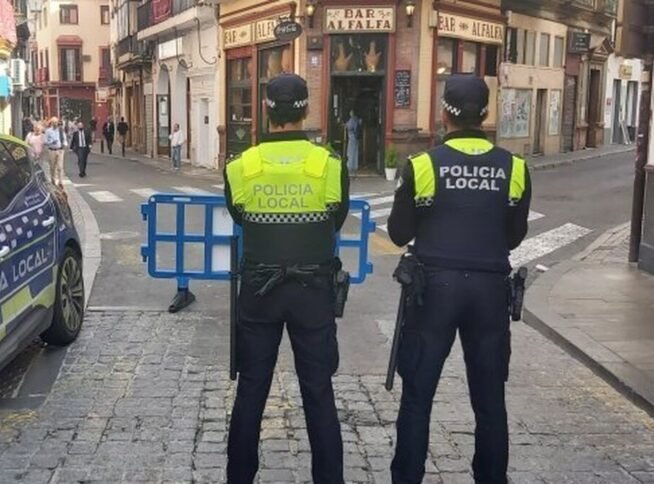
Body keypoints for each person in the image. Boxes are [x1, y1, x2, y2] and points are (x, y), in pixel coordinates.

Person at [385, 74, 531, 484]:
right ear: (486, 114)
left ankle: (407, 477)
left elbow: (398, 233)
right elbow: (514, 235)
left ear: (443, 113)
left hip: (434, 289)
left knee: (418, 396)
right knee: (489, 401)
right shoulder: (515, 168)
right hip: (488, 290)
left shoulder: (423, 165)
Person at [224, 73, 349, 484]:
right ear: (305, 110)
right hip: (313, 293)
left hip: (259, 292)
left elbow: (241, 218)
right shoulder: (329, 165)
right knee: (318, 394)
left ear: (266, 110)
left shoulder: (241, 167)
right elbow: (335, 222)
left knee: (251, 393)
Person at [44, 117, 65, 187]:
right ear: (51, 123)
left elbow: (64, 138)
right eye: (53, 122)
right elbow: (45, 141)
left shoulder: (61, 130)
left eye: (56, 122)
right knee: (52, 167)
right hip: (51, 150)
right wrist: (51, 142)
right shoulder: (48, 131)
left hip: (60, 150)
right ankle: (53, 180)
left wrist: (65, 144)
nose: (55, 124)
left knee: (60, 167)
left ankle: (60, 182)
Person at [345, 110, 362, 175]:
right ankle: (355, 166)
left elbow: (349, 126)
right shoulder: (357, 119)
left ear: (352, 113)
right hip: (357, 137)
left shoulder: (352, 119)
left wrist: (345, 124)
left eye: (350, 112)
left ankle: (350, 166)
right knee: (355, 151)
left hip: (352, 136)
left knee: (350, 151)